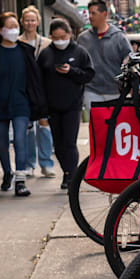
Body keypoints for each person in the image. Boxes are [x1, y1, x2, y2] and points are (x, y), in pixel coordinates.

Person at [0, 12, 47, 197]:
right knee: (2, 142)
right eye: (10, 27)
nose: (14, 31)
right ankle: (7, 173)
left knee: (20, 139)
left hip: (21, 103)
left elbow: (35, 80)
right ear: (0, 30)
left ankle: (21, 180)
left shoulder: (25, 51)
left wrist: (40, 103)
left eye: (16, 27)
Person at [37, 19, 95, 189]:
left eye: (63, 37)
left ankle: (71, 175)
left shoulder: (80, 52)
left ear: (69, 34)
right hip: (52, 106)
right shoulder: (45, 54)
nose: (59, 41)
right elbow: (38, 81)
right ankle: (68, 171)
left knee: (69, 142)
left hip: (73, 105)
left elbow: (89, 75)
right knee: (59, 144)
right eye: (55, 38)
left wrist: (72, 71)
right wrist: (41, 107)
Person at [18, 6, 55, 178]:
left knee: (44, 125)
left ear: (38, 22)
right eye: (27, 20)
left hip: (43, 90)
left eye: (33, 20)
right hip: (24, 90)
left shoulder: (47, 43)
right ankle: (29, 164)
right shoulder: (17, 42)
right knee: (27, 127)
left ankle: (46, 163)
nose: (30, 23)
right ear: (22, 22)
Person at [77, 0, 133, 111]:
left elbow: (129, 60)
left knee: (114, 126)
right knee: (96, 126)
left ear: (104, 14)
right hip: (91, 91)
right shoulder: (83, 39)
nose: (90, 17)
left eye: (94, 13)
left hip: (115, 91)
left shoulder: (119, 37)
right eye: (89, 13)